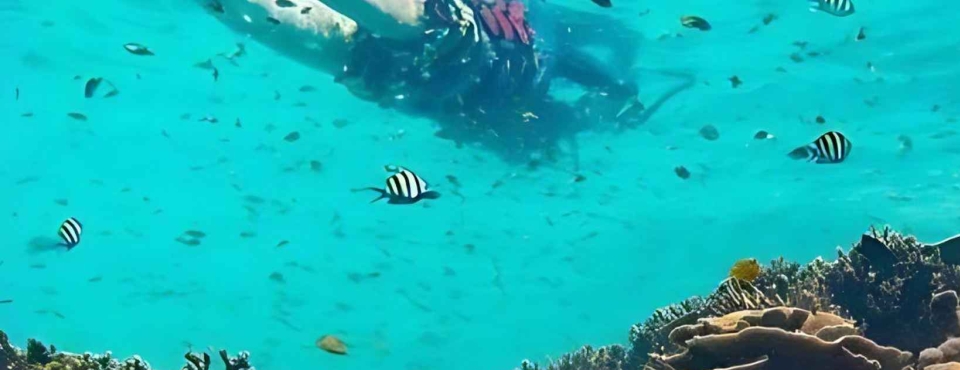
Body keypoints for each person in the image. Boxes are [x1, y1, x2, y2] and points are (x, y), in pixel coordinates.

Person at [217, 0, 661, 154]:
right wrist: (618, 87)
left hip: (444, 44)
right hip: (398, 72)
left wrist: (616, 84)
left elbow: (588, 56)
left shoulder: (546, 44)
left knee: (262, 17)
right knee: (260, 18)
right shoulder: (520, 103)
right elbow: (598, 55)